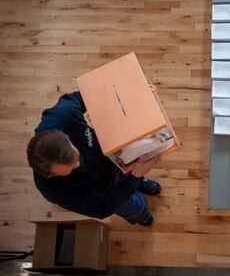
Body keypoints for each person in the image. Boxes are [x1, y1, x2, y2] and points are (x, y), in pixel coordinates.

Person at [26, 91, 160, 226]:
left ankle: (139, 183)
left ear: (66, 138)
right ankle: (141, 214)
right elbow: (102, 208)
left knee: (132, 171)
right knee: (133, 207)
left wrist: (112, 102)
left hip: (116, 159)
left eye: (75, 156)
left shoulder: (61, 117)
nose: (78, 164)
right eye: (70, 168)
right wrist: (135, 177)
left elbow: (85, 94)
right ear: (51, 174)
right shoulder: (54, 191)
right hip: (108, 190)